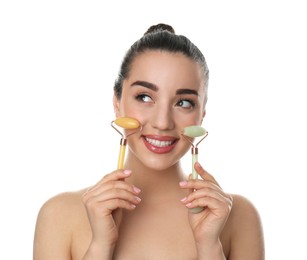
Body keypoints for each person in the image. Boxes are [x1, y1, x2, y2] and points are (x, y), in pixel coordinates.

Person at [33, 23, 264, 260]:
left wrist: (209, 247)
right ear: (117, 103)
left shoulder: (237, 217)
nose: (163, 122)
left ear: (201, 113)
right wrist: (100, 246)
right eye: (144, 97)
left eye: (184, 102)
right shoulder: (59, 215)